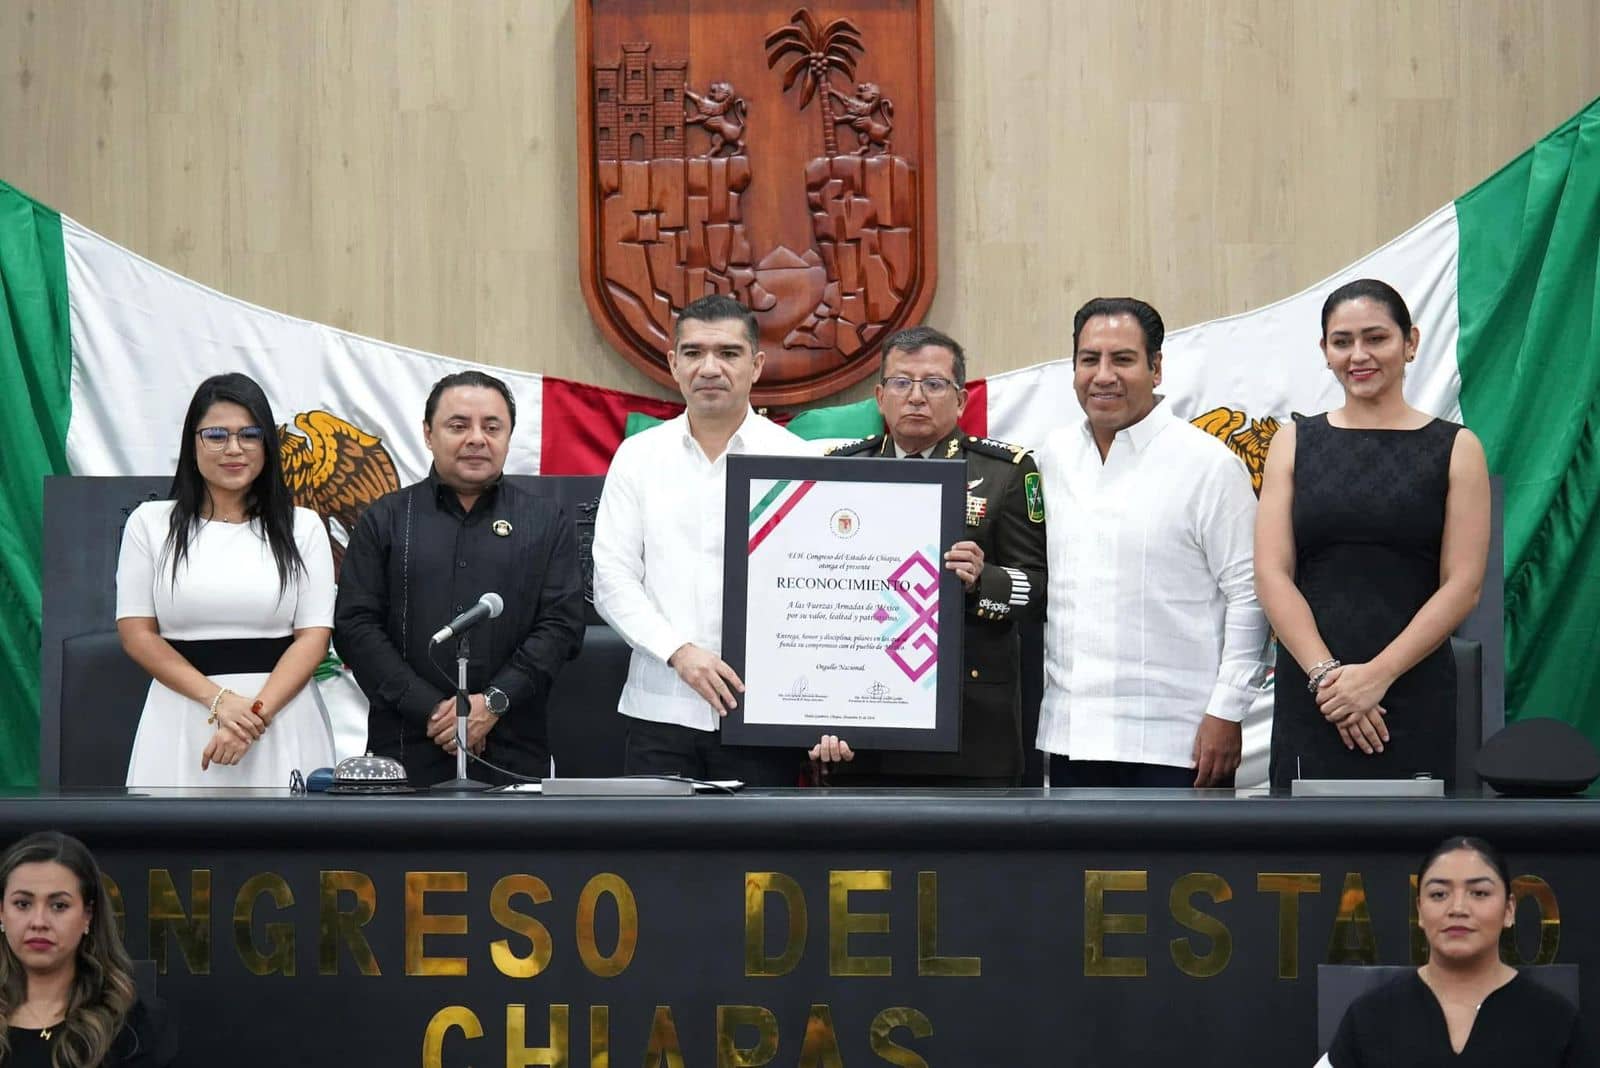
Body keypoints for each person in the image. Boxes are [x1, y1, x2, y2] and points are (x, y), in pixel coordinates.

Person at [1257, 280, 1490, 789]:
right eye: (1342, 341)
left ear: (1410, 342)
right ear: (1324, 351)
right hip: (1314, 689)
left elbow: (1463, 584)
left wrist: (1376, 676)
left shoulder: (1457, 447)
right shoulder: (1294, 442)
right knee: (1300, 862)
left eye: (1376, 338)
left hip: (1412, 686)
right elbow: (1273, 574)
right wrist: (1329, 680)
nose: (1358, 355)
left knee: (1408, 858)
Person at [1034, 298, 1269, 788]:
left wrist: (1227, 711)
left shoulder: (1207, 464)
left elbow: (1250, 594)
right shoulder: (1052, 457)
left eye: (1122, 359)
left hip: (1180, 742)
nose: (1103, 375)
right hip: (1072, 736)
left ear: (1156, 368)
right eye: (1088, 359)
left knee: (1181, 869)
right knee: (1078, 869)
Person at [809, 326, 1048, 785]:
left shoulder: (1004, 474)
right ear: (880, 396)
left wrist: (984, 580)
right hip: (863, 724)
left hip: (970, 725)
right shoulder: (840, 470)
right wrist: (818, 708)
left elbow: (1037, 592)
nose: (916, 397)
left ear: (960, 401)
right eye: (902, 383)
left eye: (934, 384)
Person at [592, 294, 811, 784]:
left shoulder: (795, 459)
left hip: (765, 714)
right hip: (660, 711)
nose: (709, 367)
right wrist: (680, 653)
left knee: (759, 861)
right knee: (659, 861)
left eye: (728, 353)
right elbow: (612, 579)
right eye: (693, 353)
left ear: (756, 365)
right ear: (673, 363)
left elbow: (815, 585)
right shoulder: (637, 457)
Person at [334, 370, 585, 786]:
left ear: (508, 437)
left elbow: (561, 625)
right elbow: (356, 626)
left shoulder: (545, 521)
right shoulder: (387, 518)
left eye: (492, 427)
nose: (476, 438)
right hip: (405, 748)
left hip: (513, 748)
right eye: (458, 425)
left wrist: (492, 704)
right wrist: (434, 712)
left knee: (511, 854)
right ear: (428, 434)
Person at [116, 373, 336, 788]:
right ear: (192, 442)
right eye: (217, 435)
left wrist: (252, 717)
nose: (234, 449)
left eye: (249, 435)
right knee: (173, 850)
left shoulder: (302, 526)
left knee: (289, 850)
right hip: (182, 715)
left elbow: (313, 639)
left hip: (280, 718)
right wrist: (219, 702)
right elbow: (136, 634)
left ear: (267, 445)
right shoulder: (150, 524)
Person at [1321, 836, 1588, 1066]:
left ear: (1509, 910)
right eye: (1439, 894)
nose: (1458, 908)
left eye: (1479, 893)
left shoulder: (1555, 1021)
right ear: (1420, 911)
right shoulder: (1370, 1016)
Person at [0, 831, 179, 1067]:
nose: (39, 921)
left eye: (59, 905)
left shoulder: (132, 1026)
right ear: (2, 912)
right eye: (23, 904)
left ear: (88, 915)